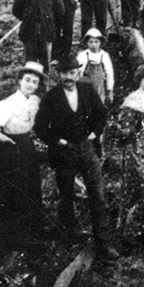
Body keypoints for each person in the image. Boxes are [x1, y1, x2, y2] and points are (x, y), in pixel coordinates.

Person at [35, 60, 118, 257]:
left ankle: (103, 243)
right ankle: (69, 240)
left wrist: (94, 133)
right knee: (66, 197)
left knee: (98, 195)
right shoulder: (51, 97)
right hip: (64, 153)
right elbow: (40, 127)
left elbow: (101, 113)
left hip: (87, 148)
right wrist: (58, 141)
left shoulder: (87, 90)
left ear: (78, 73)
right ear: (58, 74)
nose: (68, 77)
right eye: (64, 73)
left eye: (72, 72)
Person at [0, 62, 48, 247]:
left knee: (30, 187)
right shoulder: (9, 103)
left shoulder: (34, 102)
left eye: (34, 82)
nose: (30, 85)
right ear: (19, 81)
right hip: (10, 151)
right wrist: (6, 140)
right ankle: (11, 235)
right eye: (27, 80)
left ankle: (30, 231)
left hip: (26, 147)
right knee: (12, 189)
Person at [112, 65, 144, 244]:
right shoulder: (132, 101)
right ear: (139, 81)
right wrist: (134, 130)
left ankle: (142, 232)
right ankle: (128, 232)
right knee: (141, 189)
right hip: (137, 150)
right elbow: (123, 130)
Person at [12, 0, 66, 66]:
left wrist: (49, 20)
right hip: (29, 29)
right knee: (30, 59)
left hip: (46, 29)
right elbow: (16, 10)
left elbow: (60, 10)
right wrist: (27, 18)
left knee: (45, 60)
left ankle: (44, 80)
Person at [75, 28, 115, 105]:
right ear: (87, 43)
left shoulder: (104, 56)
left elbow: (109, 73)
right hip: (85, 87)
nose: (93, 45)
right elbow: (77, 72)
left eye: (96, 42)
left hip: (99, 88)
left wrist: (110, 91)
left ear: (100, 42)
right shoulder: (82, 55)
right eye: (91, 42)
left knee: (99, 105)